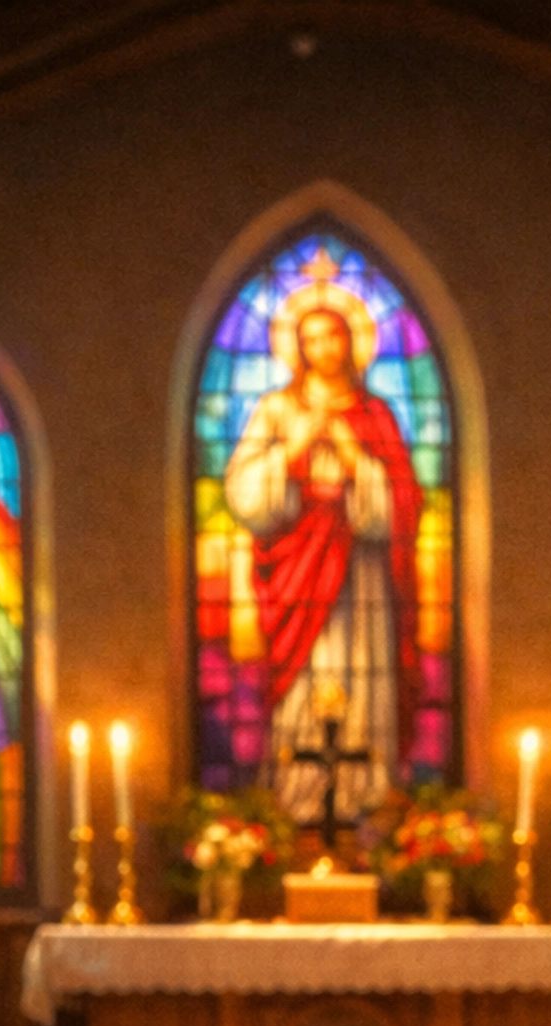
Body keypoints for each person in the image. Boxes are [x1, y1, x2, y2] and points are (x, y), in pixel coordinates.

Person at [225, 298, 421, 824]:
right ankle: (299, 796)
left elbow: (404, 505)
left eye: (332, 336)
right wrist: (294, 452)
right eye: (310, 339)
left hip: (361, 578)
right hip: (296, 572)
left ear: (350, 342)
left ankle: (367, 798)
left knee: (363, 674)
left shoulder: (374, 413)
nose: (323, 349)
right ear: (298, 348)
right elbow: (243, 497)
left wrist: (354, 456)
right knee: (304, 683)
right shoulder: (275, 410)